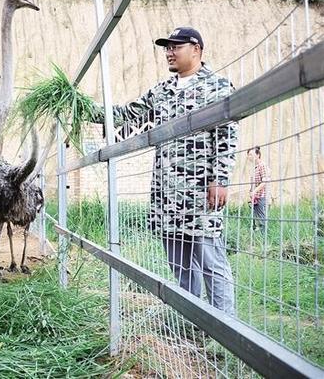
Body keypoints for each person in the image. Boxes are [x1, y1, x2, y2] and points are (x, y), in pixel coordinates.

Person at [90, 27, 239, 315]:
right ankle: (192, 319)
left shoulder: (217, 86)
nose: (169, 52)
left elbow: (226, 136)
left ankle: (226, 327)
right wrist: (84, 108)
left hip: (200, 193)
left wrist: (219, 178)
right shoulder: (162, 91)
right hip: (167, 195)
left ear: (196, 48)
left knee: (211, 261)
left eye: (176, 46)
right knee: (180, 265)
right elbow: (126, 114)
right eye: (166, 47)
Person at [247, 146, 270, 231]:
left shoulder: (262, 166)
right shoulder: (254, 167)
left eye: (251, 154)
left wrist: (254, 191)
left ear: (258, 155)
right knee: (256, 217)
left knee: (261, 217)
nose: (249, 157)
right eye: (248, 155)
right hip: (255, 196)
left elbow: (265, 181)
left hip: (261, 196)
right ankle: (258, 235)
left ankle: (264, 236)